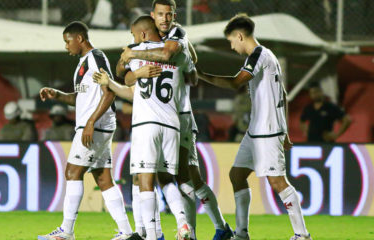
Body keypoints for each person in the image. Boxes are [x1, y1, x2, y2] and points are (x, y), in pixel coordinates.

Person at [120, 1, 233, 239]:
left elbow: (169, 57)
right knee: (162, 177)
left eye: (169, 14)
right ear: (153, 16)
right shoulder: (158, 42)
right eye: (160, 14)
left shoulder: (176, 36)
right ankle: (153, 231)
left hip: (179, 117)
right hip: (167, 117)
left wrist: (133, 53)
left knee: (185, 178)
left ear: (174, 16)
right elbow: (126, 71)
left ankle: (204, 230)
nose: (165, 18)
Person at [197, 14, 312, 240]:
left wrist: (201, 75)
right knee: (236, 175)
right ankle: (241, 234)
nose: (231, 46)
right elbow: (284, 95)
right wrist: (286, 130)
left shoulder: (259, 55)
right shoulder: (267, 57)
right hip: (257, 131)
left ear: (240, 36)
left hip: (267, 132)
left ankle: (302, 235)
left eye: (231, 40)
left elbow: (235, 82)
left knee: (278, 182)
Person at [99, 15, 195, 240]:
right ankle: (182, 224)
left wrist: (130, 68)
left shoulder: (137, 50)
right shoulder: (173, 52)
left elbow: (121, 70)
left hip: (146, 124)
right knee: (166, 179)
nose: (132, 40)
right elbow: (192, 73)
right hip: (172, 124)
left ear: (142, 34)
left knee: (145, 181)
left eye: (133, 35)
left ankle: (151, 236)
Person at [37, 21, 133, 240]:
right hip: (97, 124)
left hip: (95, 125)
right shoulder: (83, 63)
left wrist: (90, 122)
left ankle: (66, 232)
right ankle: (127, 232)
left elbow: (110, 92)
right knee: (103, 179)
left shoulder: (95, 58)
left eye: (67, 41)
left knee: (72, 172)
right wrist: (57, 94)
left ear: (79, 38)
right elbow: (80, 98)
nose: (66, 46)